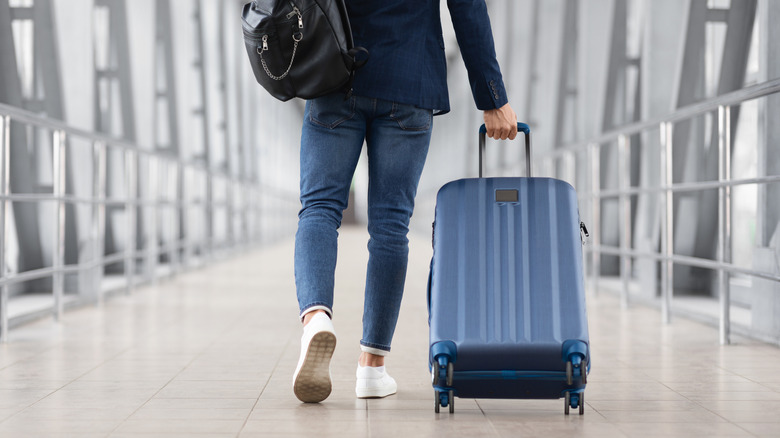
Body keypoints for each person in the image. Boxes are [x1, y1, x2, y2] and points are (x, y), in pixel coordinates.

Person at [292, 0, 518, 403]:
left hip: (335, 74)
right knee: (390, 227)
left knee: (320, 208)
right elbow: (468, 9)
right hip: (409, 79)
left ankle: (316, 318)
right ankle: (372, 368)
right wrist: (492, 98)